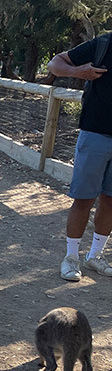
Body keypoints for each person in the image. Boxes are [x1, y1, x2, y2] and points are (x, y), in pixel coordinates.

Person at [49, 32, 112, 281]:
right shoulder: (104, 44)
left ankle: (96, 256)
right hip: (95, 134)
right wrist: (77, 72)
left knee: (110, 201)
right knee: (83, 198)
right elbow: (55, 63)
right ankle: (71, 258)